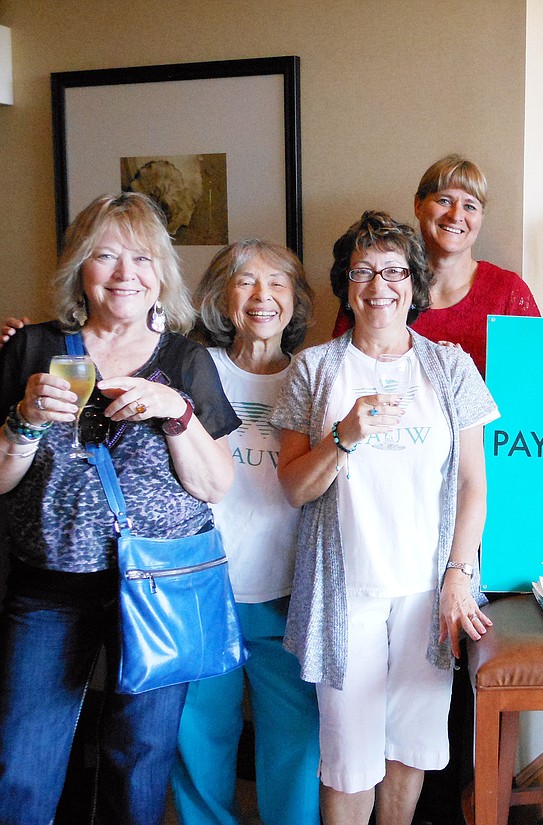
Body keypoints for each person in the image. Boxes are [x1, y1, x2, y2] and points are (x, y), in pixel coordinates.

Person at [0, 192, 239, 825]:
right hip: (50, 586)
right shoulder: (31, 349)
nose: (124, 272)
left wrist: (176, 413)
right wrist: (24, 421)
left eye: (141, 257)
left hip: (161, 583)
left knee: (140, 757)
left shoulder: (185, 360)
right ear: (80, 268)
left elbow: (215, 486)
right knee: (21, 762)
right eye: (104, 256)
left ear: (161, 273)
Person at [272, 211, 497, 825]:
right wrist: (344, 436)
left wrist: (459, 574)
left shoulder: (450, 367)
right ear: (346, 283)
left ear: (414, 283)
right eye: (364, 271)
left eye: (395, 270)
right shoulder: (315, 369)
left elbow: (476, 485)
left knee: (413, 748)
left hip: (431, 592)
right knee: (348, 755)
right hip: (346, 594)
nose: (380, 284)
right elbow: (292, 488)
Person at [170, 239, 320, 825]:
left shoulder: (317, 372)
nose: (263, 297)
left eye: (279, 283)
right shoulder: (189, 366)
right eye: (245, 282)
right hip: (204, 591)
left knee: (298, 743)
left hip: (289, 596)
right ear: (219, 298)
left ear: (296, 300)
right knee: (201, 740)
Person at [332, 154, 540, 374]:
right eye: (444, 201)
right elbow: (341, 368)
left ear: (481, 217)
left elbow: (537, 379)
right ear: (418, 205)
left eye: (470, 206)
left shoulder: (508, 292)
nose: (456, 215)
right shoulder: (380, 287)